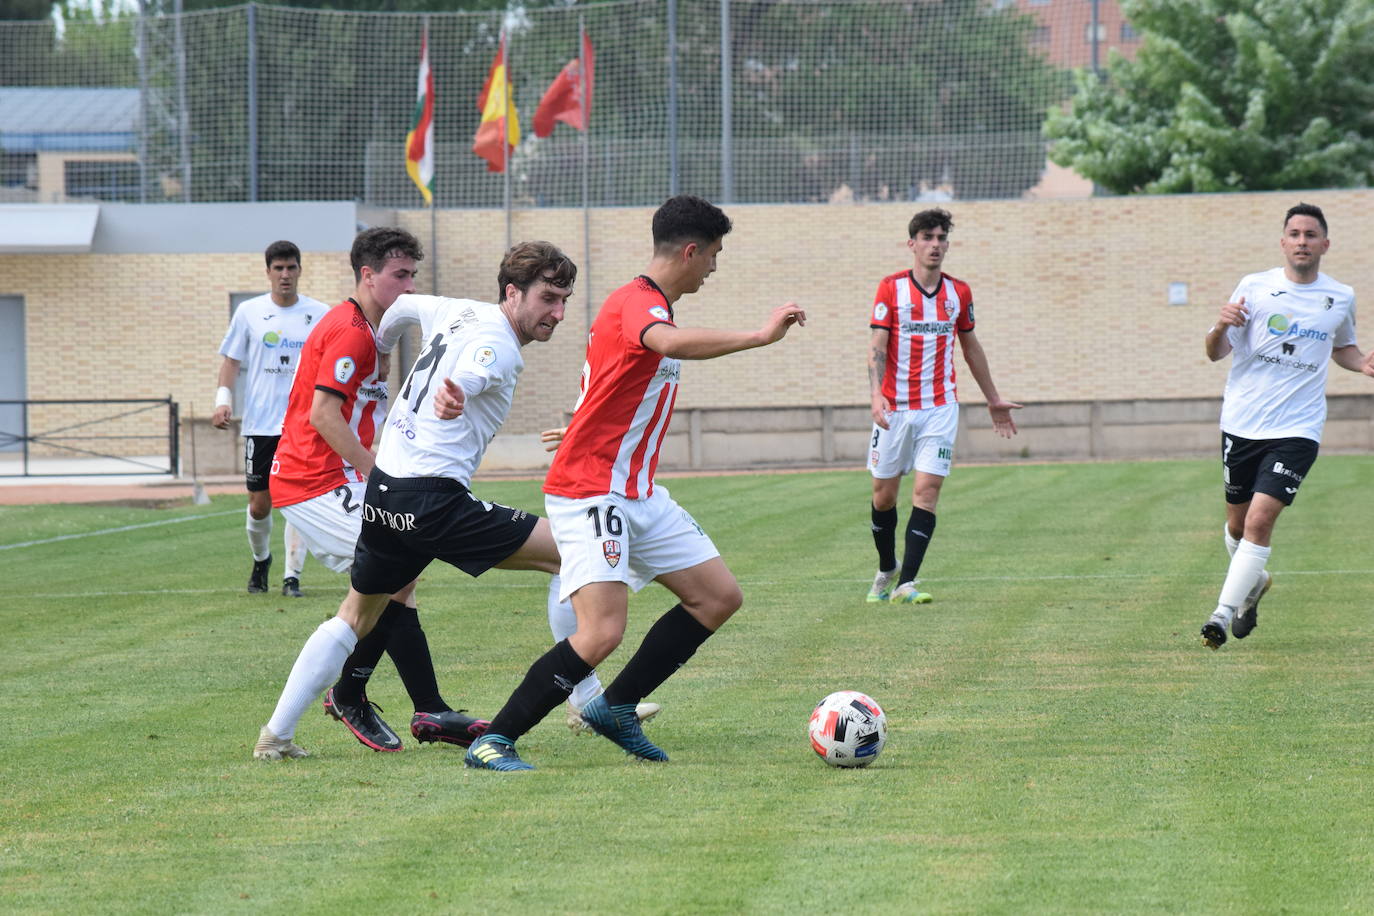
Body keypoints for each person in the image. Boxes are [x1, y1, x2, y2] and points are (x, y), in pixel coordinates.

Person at [463, 194, 806, 772]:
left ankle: (615, 707)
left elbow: (611, 380)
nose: (715, 269)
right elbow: (666, 345)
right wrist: (759, 335)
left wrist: (580, 419)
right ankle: (494, 739)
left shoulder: (648, 308)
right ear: (691, 251)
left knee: (719, 597)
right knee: (601, 633)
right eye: (714, 256)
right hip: (591, 489)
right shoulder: (637, 302)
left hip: (639, 491)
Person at [253, 241, 581, 761]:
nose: (557, 313)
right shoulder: (497, 344)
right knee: (575, 553)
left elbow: (404, 309)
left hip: (384, 489)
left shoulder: (452, 307)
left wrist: (382, 345)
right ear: (513, 293)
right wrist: (460, 392)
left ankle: (277, 734)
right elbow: (476, 369)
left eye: (565, 301)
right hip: (433, 501)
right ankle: (585, 701)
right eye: (549, 299)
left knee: (356, 615)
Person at [254, 227, 482, 758]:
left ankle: (309, 719)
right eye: (398, 275)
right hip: (314, 480)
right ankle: (397, 701)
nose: (408, 285)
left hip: (334, 477)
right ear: (367, 275)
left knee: (388, 584)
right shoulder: (352, 332)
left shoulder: (372, 330)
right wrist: (380, 478)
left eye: (412, 275)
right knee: (395, 574)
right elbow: (322, 414)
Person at [1200, 202, 1374, 649]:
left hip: (1298, 429)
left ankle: (1221, 613)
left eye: (1311, 234)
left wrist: (1364, 365)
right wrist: (1218, 327)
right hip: (1241, 423)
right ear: (1283, 242)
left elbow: (1343, 348)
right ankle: (1253, 586)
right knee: (1237, 528)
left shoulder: (1340, 296)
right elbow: (1215, 352)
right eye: (1294, 234)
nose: (1302, 241)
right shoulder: (1254, 288)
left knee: (1259, 522)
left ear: (1325, 244)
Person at [864, 208, 1021, 605]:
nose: (935, 245)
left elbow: (970, 347)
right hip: (895, 408)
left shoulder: (958, 293)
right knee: (883, 496)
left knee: (927, 491)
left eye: (941, 238)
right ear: (912, 244)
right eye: (927, 238)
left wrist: (993, 398)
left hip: (940, 406)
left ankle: (907, 583)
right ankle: (887, 568)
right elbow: (877, 349)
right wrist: (876, 395)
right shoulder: (891, 289)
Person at [211, 241, 328, 596]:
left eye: (291, 268)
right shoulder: (249, 312)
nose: (285, 275)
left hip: (303, 425)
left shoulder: (319, 314)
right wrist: (223, 400)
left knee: (298, 501)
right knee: (259, 505)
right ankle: (261, 560)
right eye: (278, 268)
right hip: (261, 424)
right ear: (268, 272)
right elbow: (231, 361)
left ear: (299, 270)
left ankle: (292, 576)